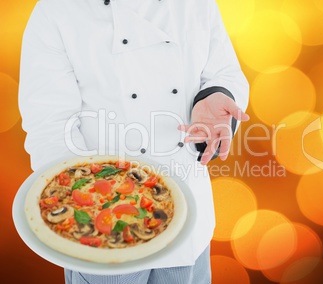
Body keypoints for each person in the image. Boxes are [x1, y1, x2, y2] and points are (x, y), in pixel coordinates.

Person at [19, 0, 249, 283]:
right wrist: (85, 208)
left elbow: (225, 71)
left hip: (188, 218)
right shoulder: (56, 10)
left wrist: (215, 95)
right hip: (100, 231)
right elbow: (49, 123)